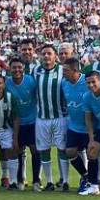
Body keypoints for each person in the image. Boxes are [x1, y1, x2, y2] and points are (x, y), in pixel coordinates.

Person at [6, 58, 47, 191]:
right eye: (14, 68)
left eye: (19, 67)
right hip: (16, 123)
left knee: (35, 149)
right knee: (18, 150)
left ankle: (36, 181)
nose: (17, 70)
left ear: (23, 68)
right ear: (10, 69)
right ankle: (20, 180)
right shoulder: (6, 83)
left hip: (32, 121)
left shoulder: (31, 80)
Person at [34, 44, 70, 191]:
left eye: (49, 53)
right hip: (42, 118)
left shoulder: (63, 71)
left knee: (62, 149)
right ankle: (49, 181)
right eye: (44, 54)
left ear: (56, 56)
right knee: (44, 150)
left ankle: (65, 181)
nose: (46, 56)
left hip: (60, 117)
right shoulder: (35, 71)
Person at [60, 58, 93, 193]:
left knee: (92, 154)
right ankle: (86, 176)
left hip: (89, 126)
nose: (64, 74)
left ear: (76, 71)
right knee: (70, 152)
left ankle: (93, 182)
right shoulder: (64, 84)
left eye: (66, 71)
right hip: (74, 126)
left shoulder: (87, 81)